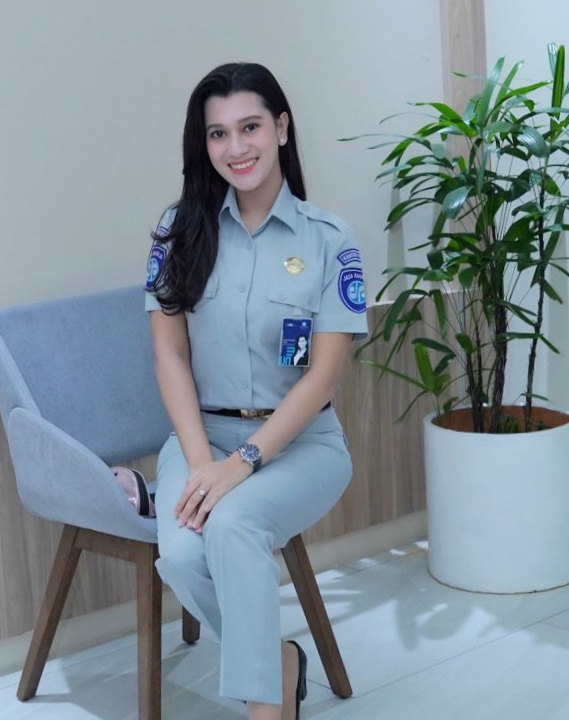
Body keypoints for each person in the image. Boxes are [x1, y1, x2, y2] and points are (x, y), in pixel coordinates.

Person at [144, 62, 367, 720]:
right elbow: (170, 354)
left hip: (302, 443)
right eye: (218, 134)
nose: (235, 148)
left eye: (250, 128)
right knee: (181, 553)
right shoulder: (177, 232)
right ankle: (279, 661)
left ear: (281, 129)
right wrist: (203, 462)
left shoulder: (329, 239)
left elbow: (322, 375)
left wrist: (242, 464)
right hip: (202, 436)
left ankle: (266, 711)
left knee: (233, 523)